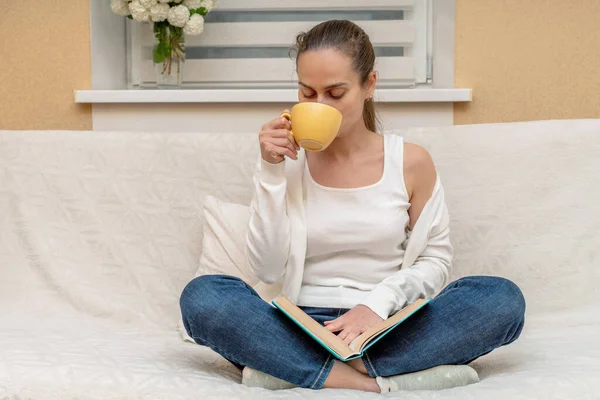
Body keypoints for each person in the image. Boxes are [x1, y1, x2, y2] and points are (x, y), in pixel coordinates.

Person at [179, 20, 526, 393]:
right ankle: (373, 382)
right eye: (307, 93)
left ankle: (297, 370)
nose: (319, 105)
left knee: (502, 299)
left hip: (387, 326)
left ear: (369, 85)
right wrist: (271, 170)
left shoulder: (410, 162)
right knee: (204, 297)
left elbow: (436, 260)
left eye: (335, 92)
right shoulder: (286, 162)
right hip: (302, 326)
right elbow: (266, 267)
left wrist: (377, 305)